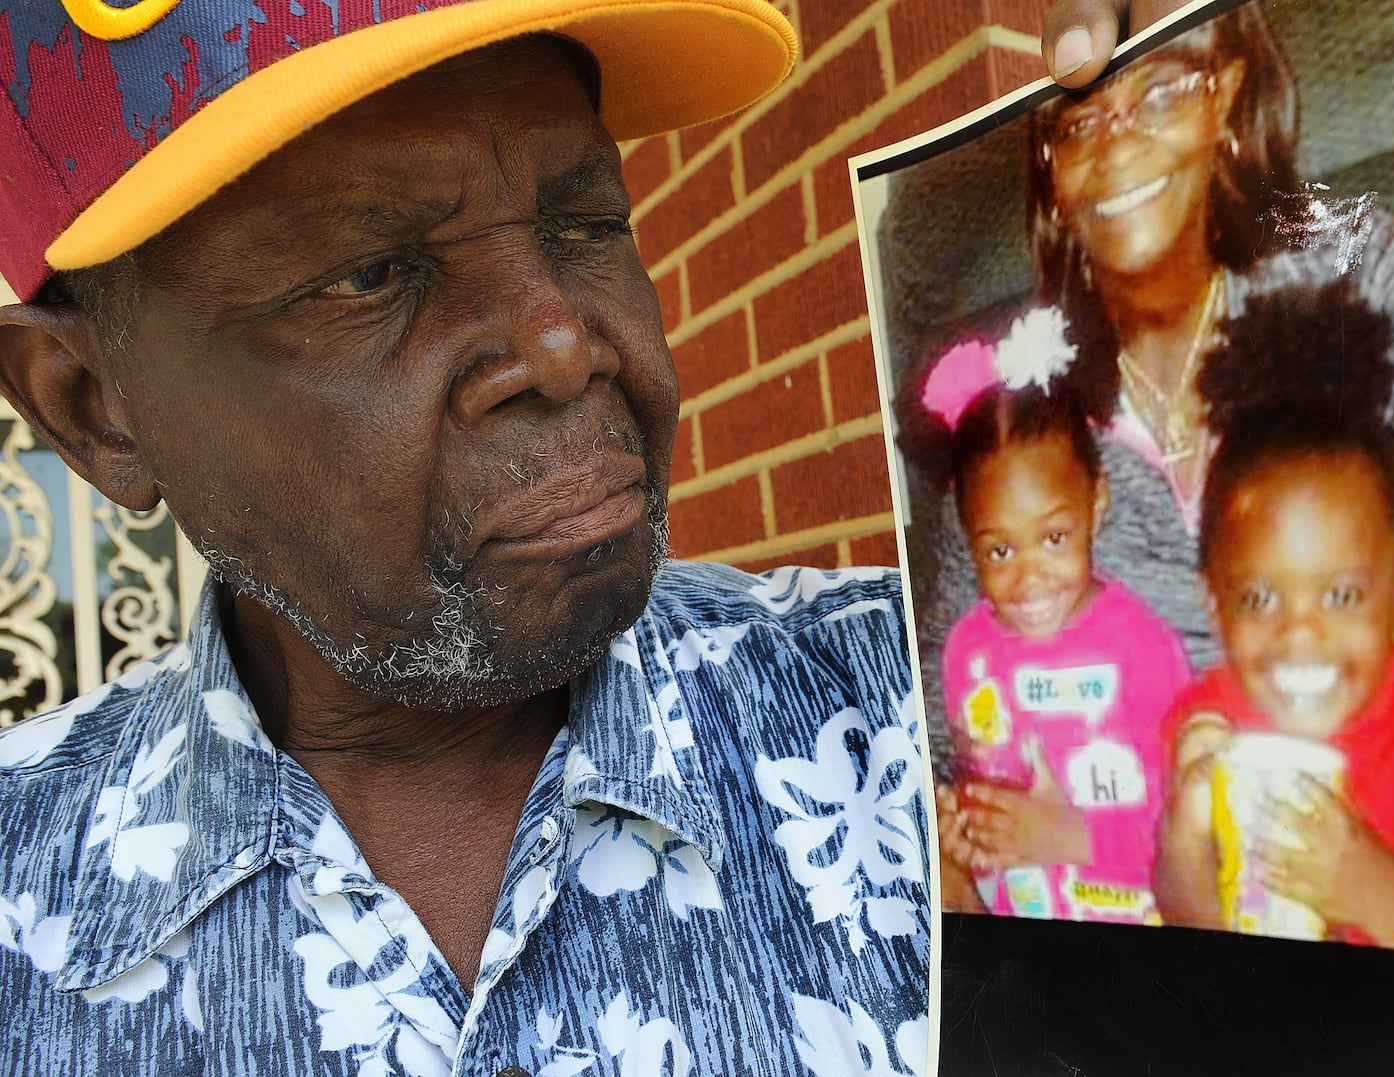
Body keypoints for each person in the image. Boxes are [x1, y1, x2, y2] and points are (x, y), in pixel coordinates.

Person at [0, 2, 929, 1073]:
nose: (561, 347)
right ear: (90, 408)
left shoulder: (934, 712)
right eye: (371, 273)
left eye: (584, 225)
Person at [921, 0, 1394, 967]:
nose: (1117, 147)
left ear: (1230, 90)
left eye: (1164, 88)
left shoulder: (1344, 254)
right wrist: (948, 872)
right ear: (1049, 173)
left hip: (1378, 842)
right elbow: (950, 701)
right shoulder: (1022, 399)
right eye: (1079, 119)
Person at [1154, 280, 1394, 958]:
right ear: (1214, 607)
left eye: (1341, 596)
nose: (1300, 633)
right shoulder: (1203, 722)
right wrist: (1185, 828)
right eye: (1260, 599)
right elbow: (1186, 920)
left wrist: (1377, 893)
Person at [904, 306, 1189, 922]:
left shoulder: (1144, 649)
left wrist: (1071, 837)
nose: (1028, 576)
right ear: (968, 538)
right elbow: (986, 780)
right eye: (1000, 549)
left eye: (1054, 537)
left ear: (1097, 504)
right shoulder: (966, 653)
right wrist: (967, 832)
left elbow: (1188, 838)